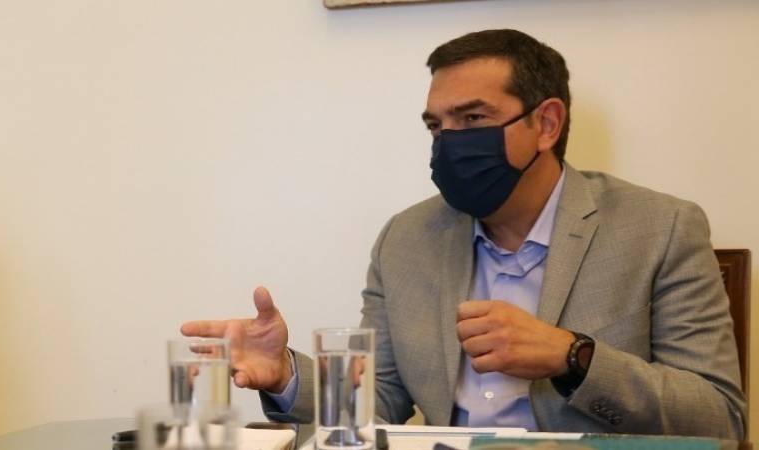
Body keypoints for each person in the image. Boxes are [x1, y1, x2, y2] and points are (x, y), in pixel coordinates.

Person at [181, 29, 746, 439]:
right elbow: (380, 401)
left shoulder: (660, 228)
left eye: (473, 119)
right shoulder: (406, 239)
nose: (449, 141)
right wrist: (286, 375)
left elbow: (719, 417)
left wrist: (572, 357)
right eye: (437, 125)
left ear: (546, 123)